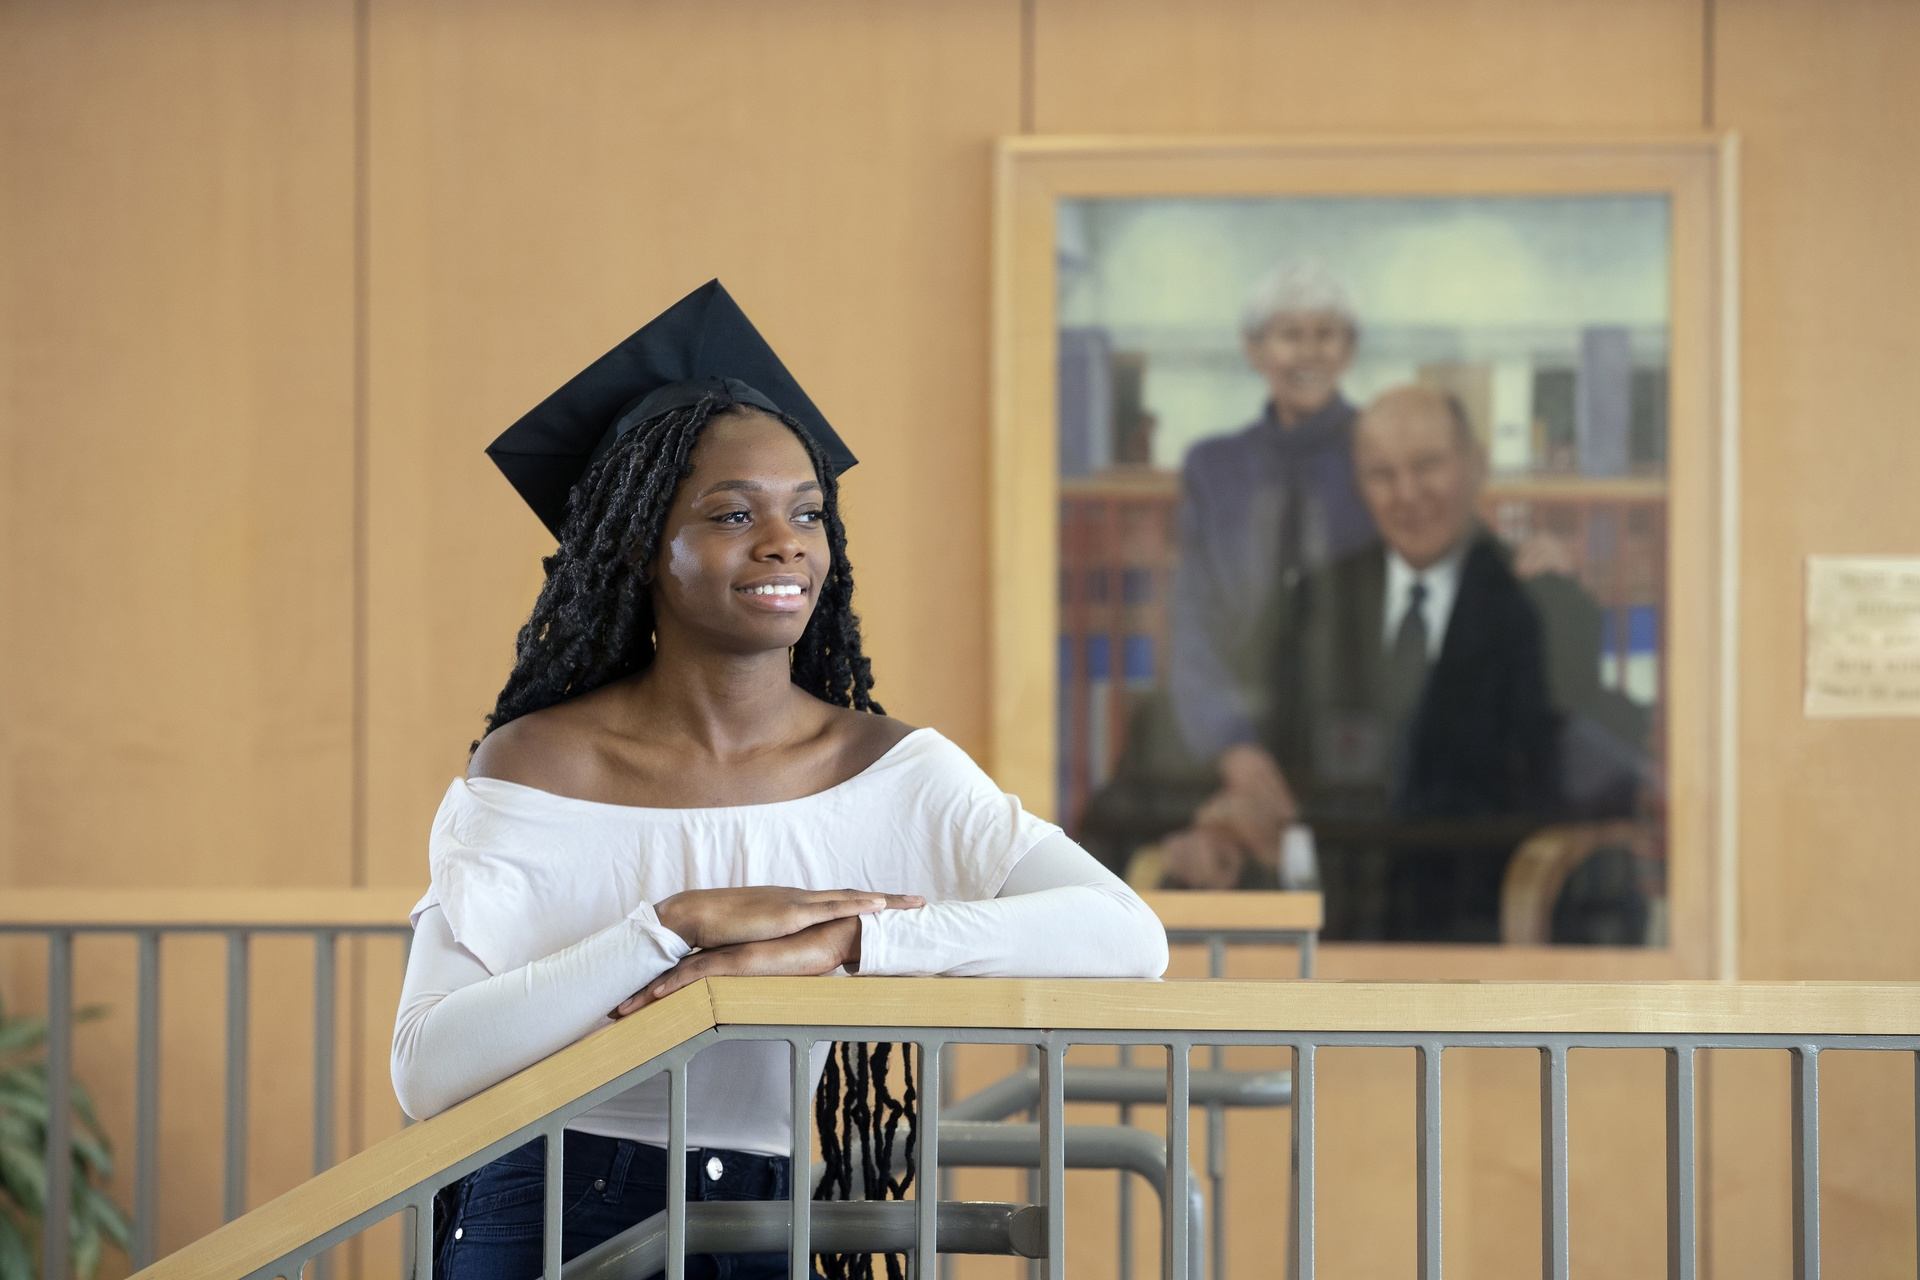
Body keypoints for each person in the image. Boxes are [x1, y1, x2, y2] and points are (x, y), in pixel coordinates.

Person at [390, 281, 1168, 1280]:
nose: (784, 541)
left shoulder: (887, 771)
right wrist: (675, 924)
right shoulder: (536, 764)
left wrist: (850, 940)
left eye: (808, 510)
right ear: (641, 546)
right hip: (544, 1208)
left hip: (758, 1222)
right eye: (731, 511)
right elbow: (427, 1068)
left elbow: (1127, 935)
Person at [1165, 385, 1561, 939]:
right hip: (1330, 925)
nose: (1407, 494)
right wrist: (1231, 826)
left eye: (1428, 467)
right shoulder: (1315, 600)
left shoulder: (1541, 602)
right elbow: (1280, 754)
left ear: (1475, 467)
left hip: (1486, 934)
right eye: (1382, 474)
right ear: (1359, 484)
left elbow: (1560, 796)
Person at [1164, 261, 1377, 847]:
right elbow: (1193, 620)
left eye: (1325, 333)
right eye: (1290, 334)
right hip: (1236, 725)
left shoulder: (1383, 450)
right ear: (1255, 350)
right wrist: (1231, 745)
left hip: (1359, 732)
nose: (1308, 351)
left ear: (1349, 349)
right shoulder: (1215, 467)